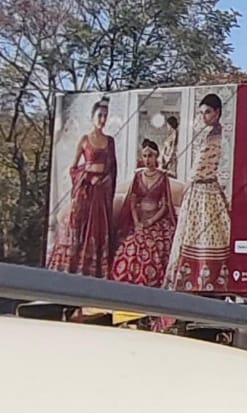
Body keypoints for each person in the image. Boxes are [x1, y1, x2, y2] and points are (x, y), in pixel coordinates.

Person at [165, 93, 230, 292]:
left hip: (205, 191)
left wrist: (189, 184)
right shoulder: (210, 134)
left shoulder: (217, 137)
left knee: (206, 234)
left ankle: (203, 282)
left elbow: (202, 168)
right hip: (201, 190)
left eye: (208, 112)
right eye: (202, 113)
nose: (204, 116)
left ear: (217, 112)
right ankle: (197, 282)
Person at [48, 95, 117, 278]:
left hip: (101, 192)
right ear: (92, 117)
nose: (103, 119)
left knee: (98, 229)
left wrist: (105, 181)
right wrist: (86, 178)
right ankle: (77, 265)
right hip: (86, 190)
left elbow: (112, 168)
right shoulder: (85, 140)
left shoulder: (110, 141)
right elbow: (73, 168)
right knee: (80, 225)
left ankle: (97, 268)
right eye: (100, 115)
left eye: (105, 116)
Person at [110, 139, 177, 287]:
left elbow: (165, 206)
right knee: (131, 244)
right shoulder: (138, 176)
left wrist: (150, 221)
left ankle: (151, 281)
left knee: (152, 245)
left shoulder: (163, 177)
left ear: (157, 156)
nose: (147, 160)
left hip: (156, 220)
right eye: (145, 156)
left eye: (150, 156)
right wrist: (137, 222)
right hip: (139, 219)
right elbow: (133, 202)